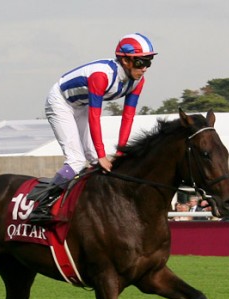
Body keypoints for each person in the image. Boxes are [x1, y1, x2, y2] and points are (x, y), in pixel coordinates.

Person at [28, 33, 157, 223]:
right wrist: (103, 154)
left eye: (149, 62)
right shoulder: (101, 76)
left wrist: (121, 152)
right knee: (76, 160)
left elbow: (127, 117)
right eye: (140, 62)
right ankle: (42, 206)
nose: (144, 68)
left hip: (81, 105)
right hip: (60, 102)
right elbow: (95, 117)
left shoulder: (138, 81)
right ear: (125, 60)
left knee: (95, 161)